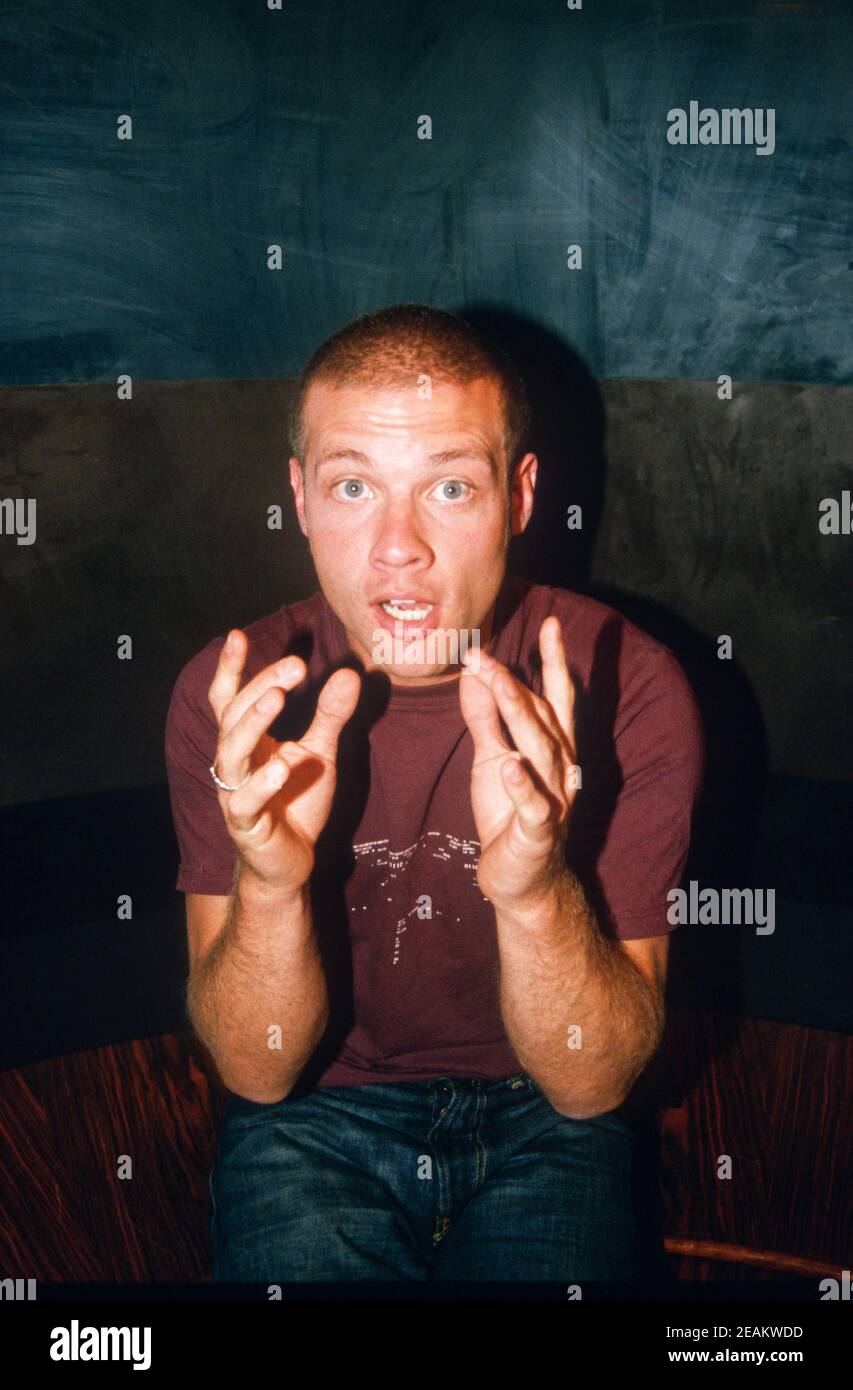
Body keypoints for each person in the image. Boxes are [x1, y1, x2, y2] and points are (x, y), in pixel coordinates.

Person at [164, 302, 704, 1284]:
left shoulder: (627, 682)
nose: (398, 545)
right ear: (297, 495)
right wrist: (272, 883)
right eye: (353, 486)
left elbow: (591, 1087)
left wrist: (536, 889)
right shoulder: (237, 696)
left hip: (544, 1112)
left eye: (450, 486)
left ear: (519, 496)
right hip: (318, 1112)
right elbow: (256, 1069)